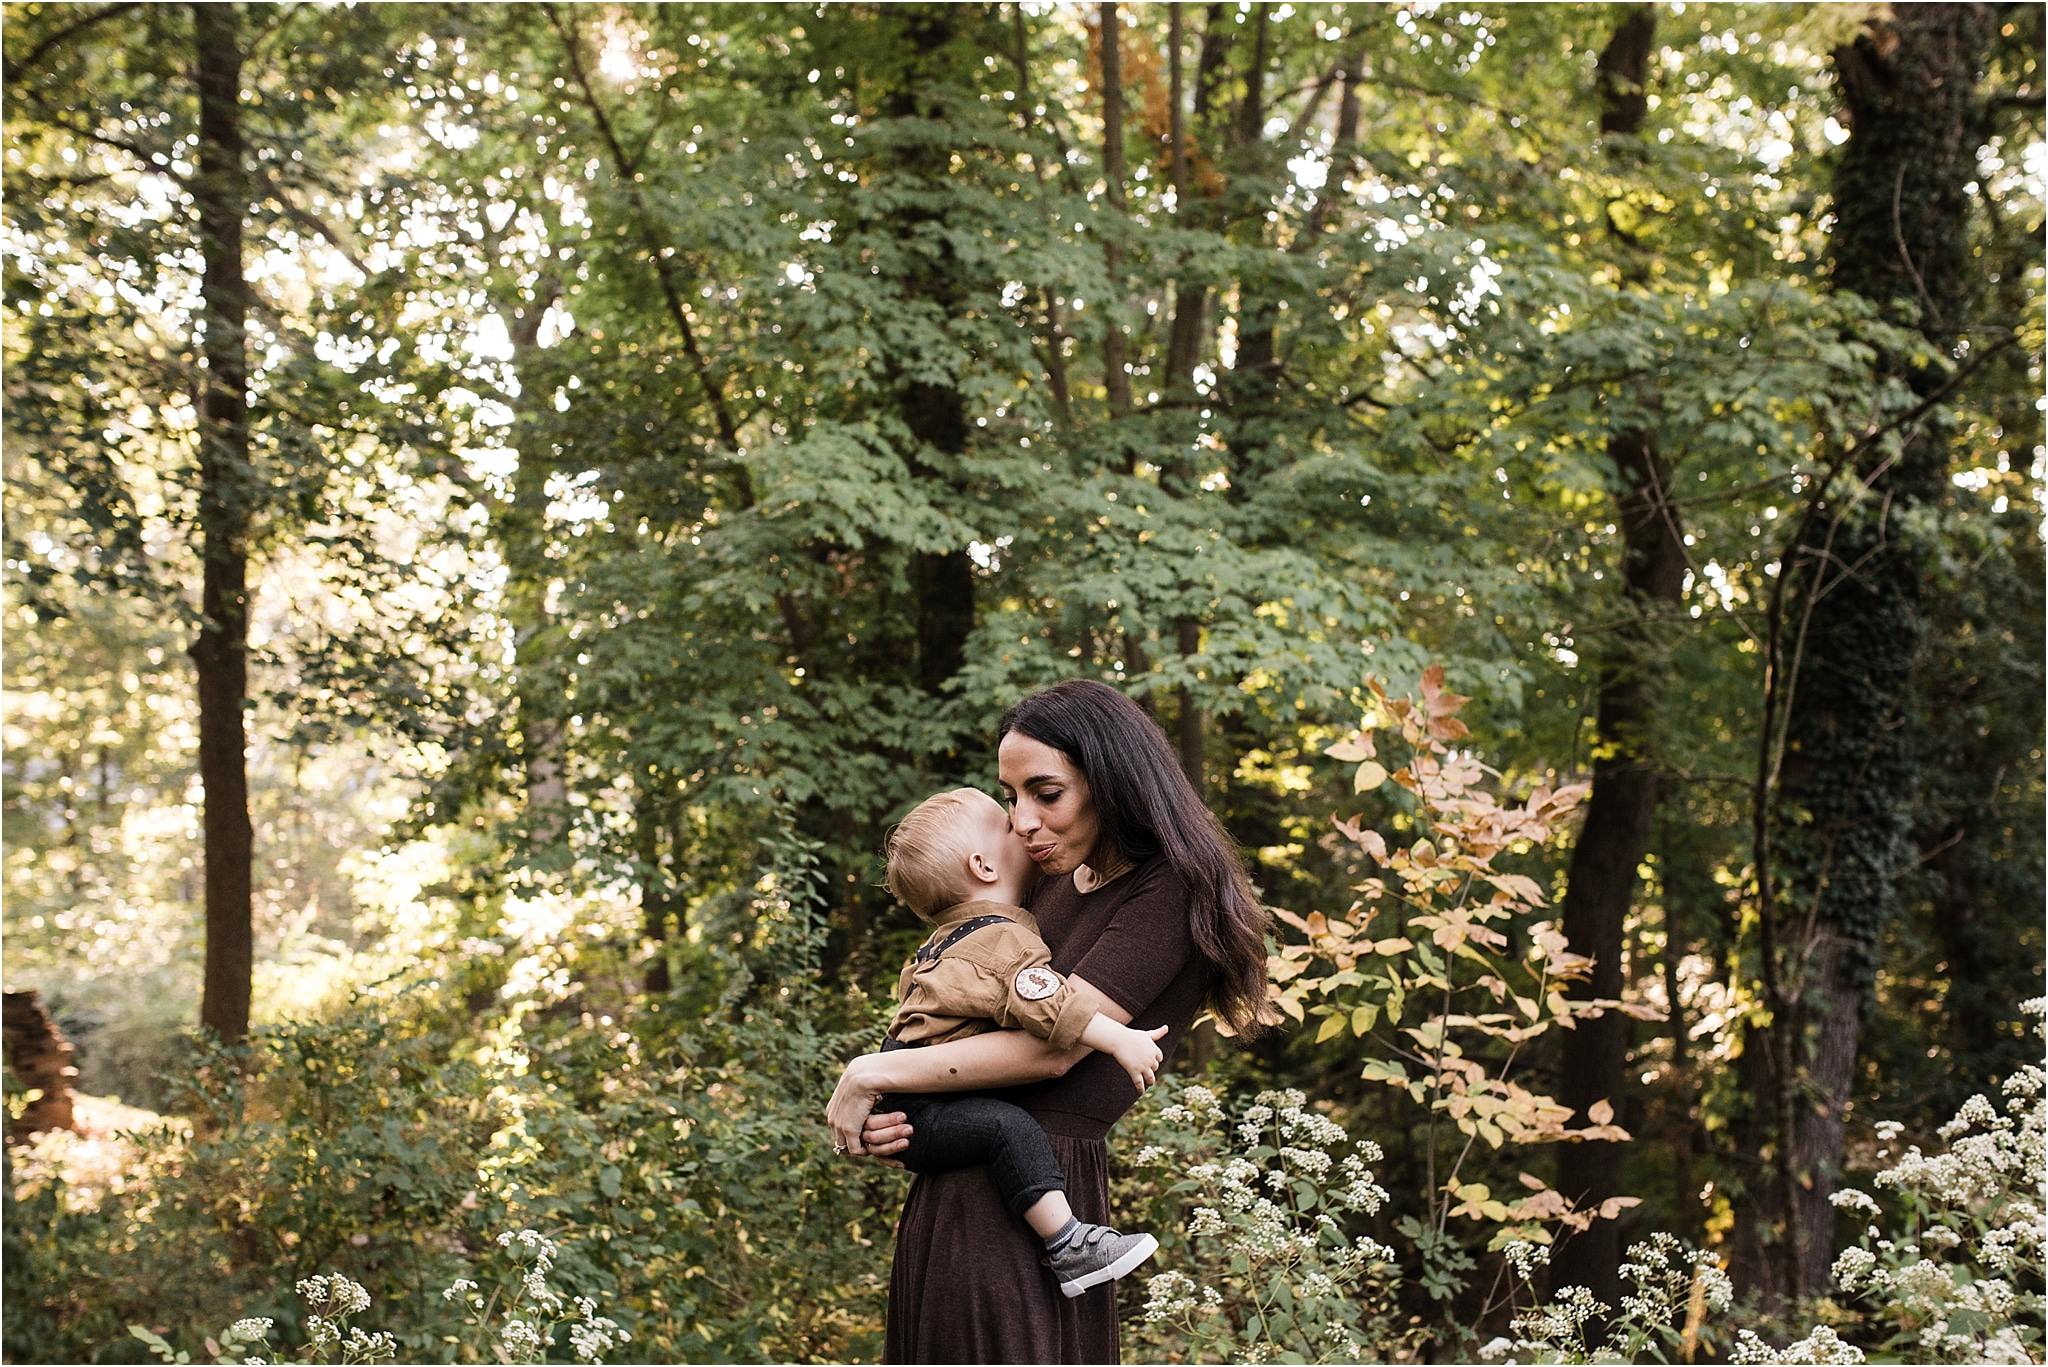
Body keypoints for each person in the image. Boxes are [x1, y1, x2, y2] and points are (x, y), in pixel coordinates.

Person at [827, 679, 1273, 1363]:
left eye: (1046, 792)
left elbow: (1052, 1051)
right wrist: (906, 1113)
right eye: (1010, 798)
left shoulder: (1168, 890)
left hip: (1034, 1208)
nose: (1023, 821)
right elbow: (961, 1000)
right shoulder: (1045, 882)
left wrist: (874, 1070)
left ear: (1110, 778)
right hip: (973, 1194)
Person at [872, 787, 1167, 1298]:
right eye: (1008, 821)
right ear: (984, 866)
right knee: (1008, 1126)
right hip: (921, 1102)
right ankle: (1069, 1244)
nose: (1024, 824)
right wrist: (1120, 1039)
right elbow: (1053, 1007)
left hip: (909, 1100)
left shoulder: (945, 942)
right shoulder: (1000, 939)